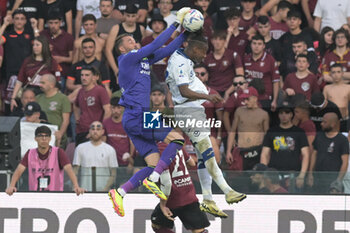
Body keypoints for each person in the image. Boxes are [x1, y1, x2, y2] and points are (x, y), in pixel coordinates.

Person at [108, 8, 194, 217]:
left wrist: (187, 33)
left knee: (154, 163)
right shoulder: (127, 59)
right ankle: (152, 179)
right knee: (177, 138)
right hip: (138, 115)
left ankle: (120, 191)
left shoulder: (143, 60)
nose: (134, 42)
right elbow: (155, 44)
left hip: (138, 115)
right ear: (121, 48)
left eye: (133, 40)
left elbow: (166, 50)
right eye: (129, 40)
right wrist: (175, 23)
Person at [166, 33, 246, 212]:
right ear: (195, 48)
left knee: (202, 156)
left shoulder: (182, 56)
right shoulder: (180, 62)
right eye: (203, 53)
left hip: (193, 110)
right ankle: (227, 190)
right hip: (188, 109)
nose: (203, 57)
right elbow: (184, 90)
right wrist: (207, 96)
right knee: (207, 151)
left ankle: (208, 199)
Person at [5, 125, 85, 195]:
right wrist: (12, 186)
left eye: (46, 136)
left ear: (50, 138)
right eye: (40, 136)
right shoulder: (30, 153)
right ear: (36, 138)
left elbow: (69, 169)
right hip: (35, 195)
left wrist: (76, 186)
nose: (44, 139)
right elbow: (18, 171)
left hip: (55, 195)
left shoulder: (58, 152)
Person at [151, 142, 210, 233]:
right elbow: (192, 163)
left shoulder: (157, 150)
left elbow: (167, 182)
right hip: (189, 193)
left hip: (172, 197)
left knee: (157, 224)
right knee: (198, 230)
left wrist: (163, 204)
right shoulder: (176, 144)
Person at [260, 102, 310, 189]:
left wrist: (301, 176)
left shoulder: (299, 132)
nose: (284, 115)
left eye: (287, 113)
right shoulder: (271, 131)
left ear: (291, 115)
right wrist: (265, 175)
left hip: (293, 175)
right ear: (278, 115)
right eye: (281, 113)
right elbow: (264, 154)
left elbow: (306, 155)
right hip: (274, 176)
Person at [10, 36, 61, 110]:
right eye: (33, 45)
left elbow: (57, 81)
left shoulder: (52, 62)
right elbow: (19, 80)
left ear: (44, 46)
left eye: (37, 45)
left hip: (44, 93)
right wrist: (13, 98)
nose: (34, 47)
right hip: (29, 93)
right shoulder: (27, 61)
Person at [226, 87, 269, 170]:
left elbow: (266, 136)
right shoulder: (239, 111)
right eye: (244, 99)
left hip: (257, 150)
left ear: (255, 98)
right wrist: (228, 151)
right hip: (242, 151)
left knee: (256, 178)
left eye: (247, 99)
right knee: (240, 178)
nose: (245, 102)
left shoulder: (263, 114)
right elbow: (232, 132)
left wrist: (265, 154)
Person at [308, 112, 349, 193]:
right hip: (318, 178)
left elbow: (345, 162)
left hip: (332, 178)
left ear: (333, 124)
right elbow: (314, 155)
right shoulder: (319, 136)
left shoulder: (342, 140)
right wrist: (310, 174)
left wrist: (338, 180)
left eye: (325, 122)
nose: (321, 124)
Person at [73, 121, 118, 192]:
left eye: (98, 129)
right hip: (84, 191)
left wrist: (105, 189)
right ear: (89, 131)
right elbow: (75, 171)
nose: (95, 131)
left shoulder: (110, 149)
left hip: (104, 191)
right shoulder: (80, 148)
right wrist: (77, 187)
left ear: (103, 131)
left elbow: (113, 173)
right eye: (93, 129)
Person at [105, 4, 146, 79]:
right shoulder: (116, 28)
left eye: (133, 16)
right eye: (128, 16)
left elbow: (142, 51)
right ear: (124, 15)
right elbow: (108, 50)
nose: (130, 19)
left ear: (137, 16)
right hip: (118, 65)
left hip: (135, 68)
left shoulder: (141, 29)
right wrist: (116, 70)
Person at [73, 66, 111, 146]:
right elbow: (75, 105)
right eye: (82, 75)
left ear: (93, 77)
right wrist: (77, 119)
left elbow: (108, 111)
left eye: (87, 75)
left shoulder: (100, 90)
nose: (84, 78)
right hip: (80, 130)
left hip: (94, 131)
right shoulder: (81, 91)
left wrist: (98, 129)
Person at [243, 34, 280, 112]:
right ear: (251, 45)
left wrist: (275, 100)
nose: (256, 46)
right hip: (248, 97)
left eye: (259, 44)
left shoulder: (270, 60)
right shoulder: (246, 59)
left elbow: (276, 81)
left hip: (265, 98)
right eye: (254, 43)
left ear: (263, 46)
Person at [203, 30, 244, 99]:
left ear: (225, 41)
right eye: (215, 39)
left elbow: (240, 77)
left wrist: (227, 92)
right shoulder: (207, 58)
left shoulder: (233, 55)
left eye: (220, 39)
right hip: (212, 92)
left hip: (230, 91)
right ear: (211, 41)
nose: (217, 42)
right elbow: (203, 77)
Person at [36, 74, 71, 148]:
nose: (40, 85)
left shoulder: (63, 98)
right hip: (41, 139)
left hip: (56, 138)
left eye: (43, 83)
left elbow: (66, 120)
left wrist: (60, 134)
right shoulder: (38, 98)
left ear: (51, 85)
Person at [40, 13, 74, 88]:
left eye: (56, 23)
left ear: (60, 23)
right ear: (47, 23)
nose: (53, 26)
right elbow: (35, 53)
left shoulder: (68, 37)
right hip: (45, 72)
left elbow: (72, 59)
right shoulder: (42, 35)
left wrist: (61, 59)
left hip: (62, 72)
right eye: (51, 23)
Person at [103, 97, 135, 167]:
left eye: (118, 108)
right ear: (110, 108)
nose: (116, 110)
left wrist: (130, 161)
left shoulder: (128, 123)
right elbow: (103, 143)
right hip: (110, 162)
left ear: (123, 108)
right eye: (113, 108)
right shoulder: (105, 123)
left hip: (125, 161)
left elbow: (132, 143)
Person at [141, 14, 172, 83]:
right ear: (151, 26)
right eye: (154, 23)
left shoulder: (170, 40)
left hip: (167, 73)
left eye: (160, 23)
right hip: (150, 73)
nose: (157, 25)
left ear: (164, 25)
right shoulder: (146, 41)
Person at [323, 63, 350, 133]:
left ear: (342, 73)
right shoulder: (327, 88)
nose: (336, 75)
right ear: (330, 74)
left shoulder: (348, 88)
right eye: (333, 72)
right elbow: (323, 106)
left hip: (345, 121)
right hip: (331, 122)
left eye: (338, 72)